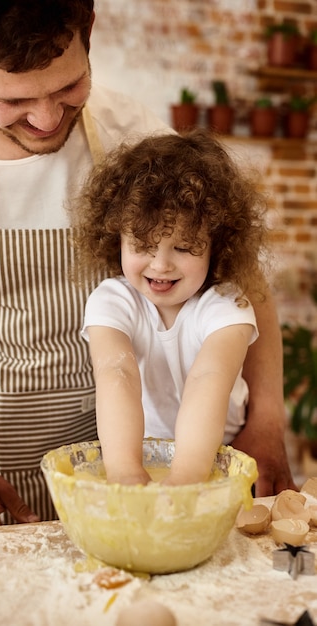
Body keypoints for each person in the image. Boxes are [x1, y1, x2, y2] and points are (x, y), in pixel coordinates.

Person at [0, 2, 294, 532]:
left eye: (67, 89)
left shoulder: (132, 135)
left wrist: (266, 419)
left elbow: (235, 272)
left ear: (88, 34)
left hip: (134, 472)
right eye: (11, 99)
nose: (45, 119)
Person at [74, 129, 272, 485]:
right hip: (141, 453)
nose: (161, 265)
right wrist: (123, 470)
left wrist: (186, 477)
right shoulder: (111, 300)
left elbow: (208, 379)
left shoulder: (227, 305)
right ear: (115, 236)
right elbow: (116, 374)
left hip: (218, 459)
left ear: (218, 245)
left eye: (183, 247)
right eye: (143, 245)